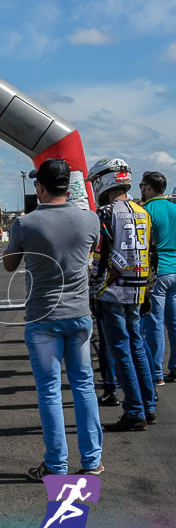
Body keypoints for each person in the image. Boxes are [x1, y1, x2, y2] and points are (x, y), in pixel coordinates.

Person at [2, 157, 102, 479]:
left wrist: (15, 234)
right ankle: (92, 460)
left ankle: (56, 464)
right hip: (79, 314)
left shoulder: (26, 223)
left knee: (49, 391)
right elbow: (92, 249)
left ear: (40, 187)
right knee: (84, 385)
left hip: (43, 317)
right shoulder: (90, 219)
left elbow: (9, 265)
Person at [87, 157, 156, 432]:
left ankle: (134, 411)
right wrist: (148, 290)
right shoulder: (143, 212)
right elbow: (152, 254)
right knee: (137, 346)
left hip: (113, 291)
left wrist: (93, 289)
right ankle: (149, 406)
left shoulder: (105, 213)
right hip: (138, 289)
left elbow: (100, 257)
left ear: (104, 180)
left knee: (121, 350)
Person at [138, 171, 176, 385]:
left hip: (157, 273)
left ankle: (156, 373)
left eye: (142, 185)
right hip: (175, 269)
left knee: (154, 325)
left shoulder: (145, 212)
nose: (140, 188)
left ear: (149, 188)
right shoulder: (175, 208)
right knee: (174, 323)